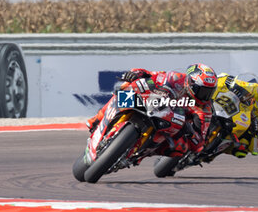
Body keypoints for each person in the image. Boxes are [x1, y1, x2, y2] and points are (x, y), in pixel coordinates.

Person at [86, 63, 218, 157]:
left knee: (180, 149)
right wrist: (136, 73)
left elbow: (199, 144)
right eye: (202, 90)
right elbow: (150, 74)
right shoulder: (177, 78)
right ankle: (97, 120)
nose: (204, 95)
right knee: (124, 90)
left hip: (173, 125)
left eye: (209, 91)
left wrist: (190, 132)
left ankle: (141, 154)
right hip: (154, 104)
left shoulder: (204, 110)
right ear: (190, 83)